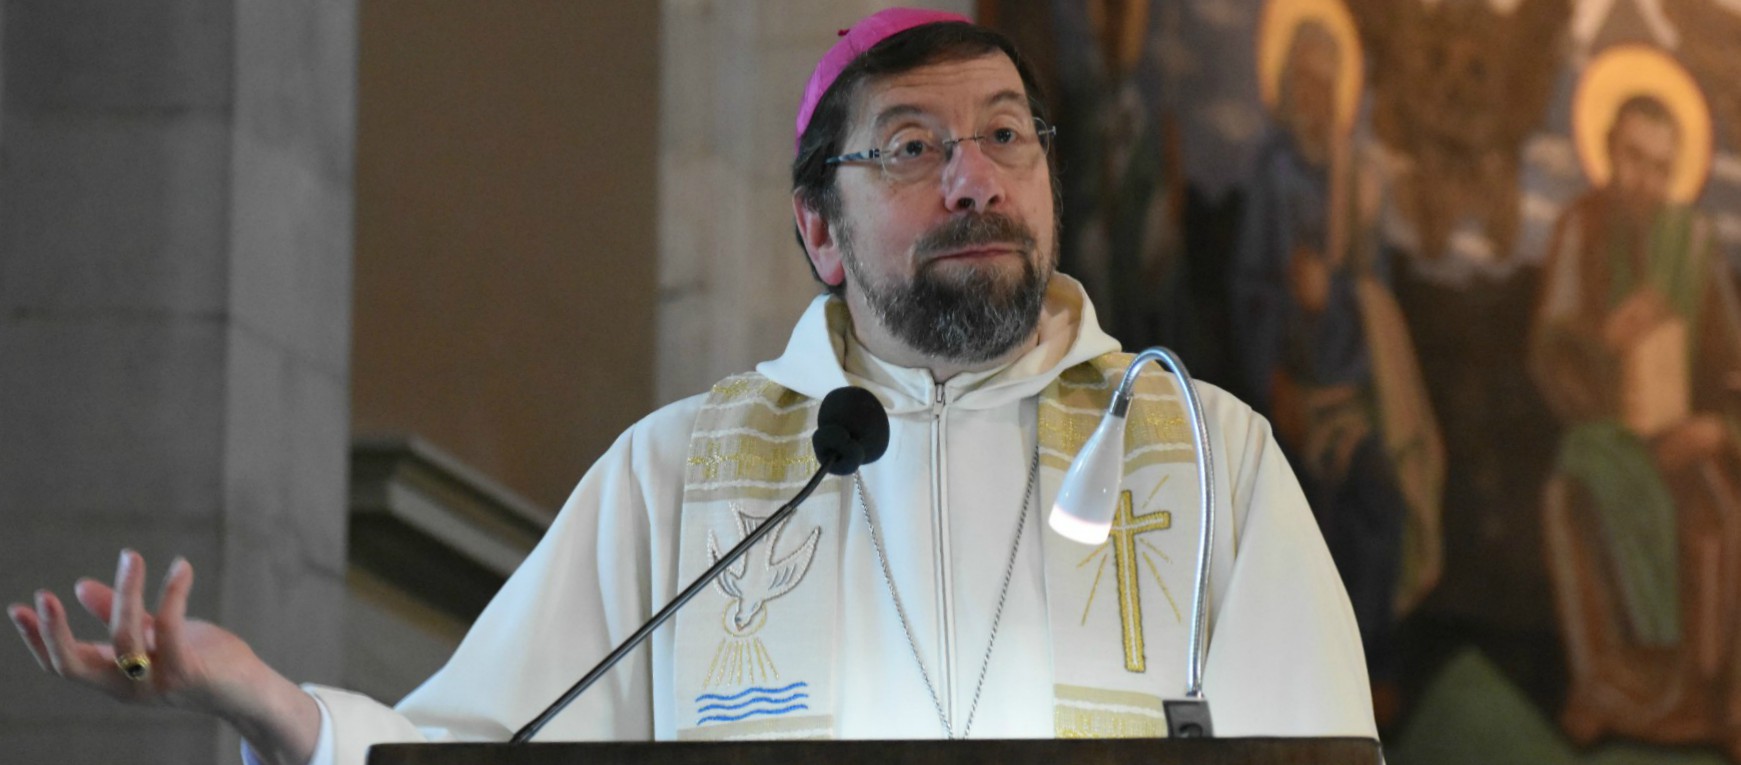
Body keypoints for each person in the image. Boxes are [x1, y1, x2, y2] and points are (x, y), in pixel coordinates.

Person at [9, 10, 1377, 764]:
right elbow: (469, 753)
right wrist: (273, 703)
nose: (974, 176)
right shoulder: (682, 474)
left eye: (1004, 136)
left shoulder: (1201, 457)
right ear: (818, 234)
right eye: (911, 147)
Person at [1531, 93, 1741, 754]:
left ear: (1675, 170)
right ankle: (1613, 689)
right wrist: (1603, 340)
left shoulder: (1693, 242)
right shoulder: (1578, 227)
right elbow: (1547, 351)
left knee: (1718, 514)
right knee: (1576, 499)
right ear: (1607, 152)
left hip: (1679, 432)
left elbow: (1729, 362)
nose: (1641, 179)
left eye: (1657, 166)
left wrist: (1714, 429)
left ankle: (1713, 702)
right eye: (1630, 159)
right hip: (1602, 431)